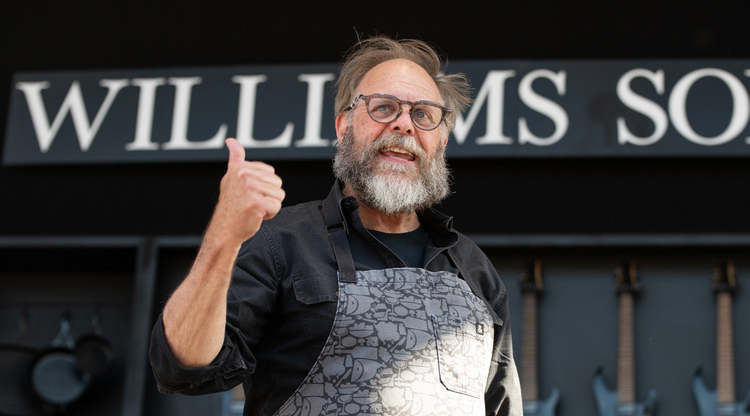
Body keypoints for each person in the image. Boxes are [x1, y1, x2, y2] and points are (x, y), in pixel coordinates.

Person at [148, 35, 523, 416]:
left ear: (440, 143)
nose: (404, 125)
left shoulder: (475, 270)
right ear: (344, 127)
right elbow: (181, 367)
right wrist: (223, 238)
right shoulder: (281, 242)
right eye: (384, 108)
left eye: (423, 115)